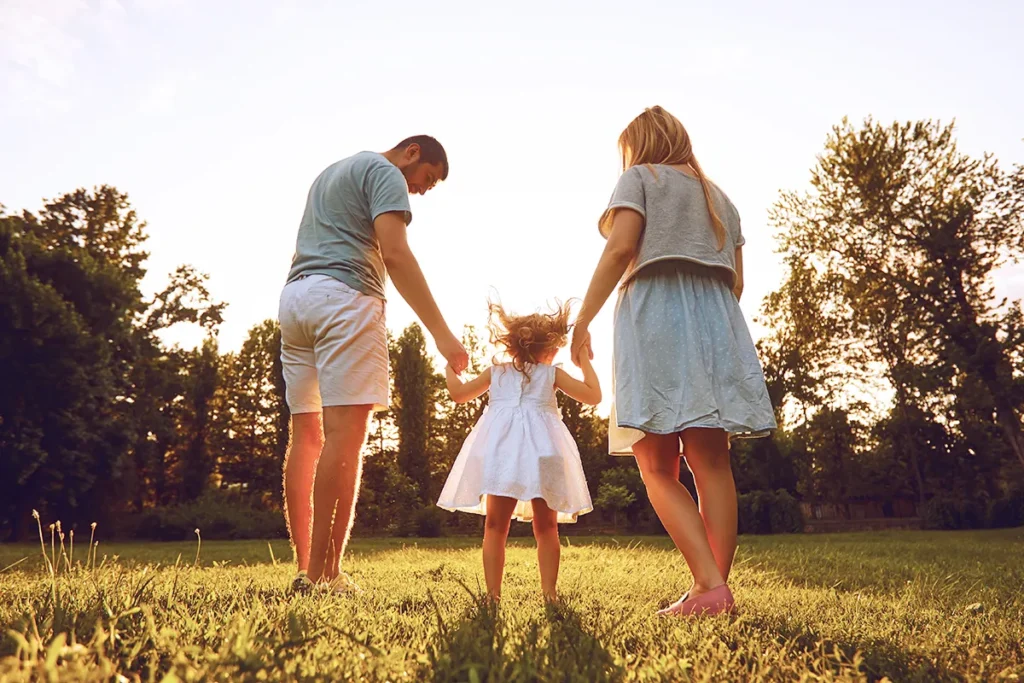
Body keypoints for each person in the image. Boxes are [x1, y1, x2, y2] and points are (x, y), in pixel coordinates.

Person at [571, 107, 776, 616]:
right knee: (712, 461)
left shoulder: (639, 178)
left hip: (656, 318)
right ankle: (711, 588)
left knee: (656, 464)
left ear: (638, 145)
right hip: (717, 322)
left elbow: (621, 249)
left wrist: (583, 319)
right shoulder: (721, 199)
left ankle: (709, 587)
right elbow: (738, 282)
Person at [279, 136, 469, 593]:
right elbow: (395, 254)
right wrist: (442, 334)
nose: (421, 191)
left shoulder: (332, 172)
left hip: (296, 299)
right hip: (346, 299)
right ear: (411, 153)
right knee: (345, 439)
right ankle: (326, 574)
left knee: (306, 435)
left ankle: (307, 568)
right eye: (426, 179)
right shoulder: (386, 173)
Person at [437, 301, 600, 602]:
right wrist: (583, 361)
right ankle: (549, 593)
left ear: (513, 346)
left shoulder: (496, 373)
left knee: (495, 526)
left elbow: (458, 395)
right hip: (545, 451)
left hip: (502, 453)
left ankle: (492, 595)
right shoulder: (551, 375)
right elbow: (593, 396)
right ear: (549, 349)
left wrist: (450, 368)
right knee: (547, 527)